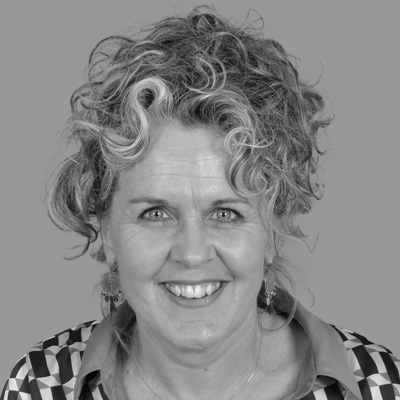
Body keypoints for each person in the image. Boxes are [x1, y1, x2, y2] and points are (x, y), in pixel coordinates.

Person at [2, 8, 399, 400]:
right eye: (155, 214)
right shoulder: (40, 385)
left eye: (226, 214)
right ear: (105, 230)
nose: (192, 254)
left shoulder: (381, 386)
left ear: (272, 229)